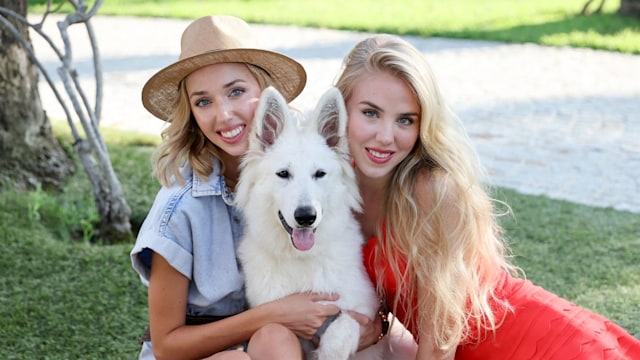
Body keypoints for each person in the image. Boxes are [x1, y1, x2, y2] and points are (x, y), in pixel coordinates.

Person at [334, 34, 640, 359]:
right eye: (370, 113)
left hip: (539, 344)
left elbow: (440, 339)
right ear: (340, 108)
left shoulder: (433, 189)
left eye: (405, 120)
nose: (385, 137)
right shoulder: (324, 187)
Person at [131, 15, 342, 360]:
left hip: (267, 342)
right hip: (195, 352)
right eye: (203, 101)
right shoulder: (180, 206)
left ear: (265, 93)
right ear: (191, 113)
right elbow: (167, 346)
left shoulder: (306, 176)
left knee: (275, 338)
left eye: (236, 92)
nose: (224, 114)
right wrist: (271, 314)